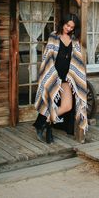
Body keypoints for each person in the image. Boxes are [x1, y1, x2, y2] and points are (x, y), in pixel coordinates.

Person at [33, 13, 88, 143]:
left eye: (72, 27)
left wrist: (74, 75)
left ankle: (45, 122)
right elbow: (48, 57)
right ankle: (42, 125)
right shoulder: (54, 36)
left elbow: (77, 61)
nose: (68, 28)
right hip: (53, 76)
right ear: (63, 23)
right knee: (48, 102)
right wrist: (52, 74)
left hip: (67, 78)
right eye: (67, 25)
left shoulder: (74, 40)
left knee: (67, 106)